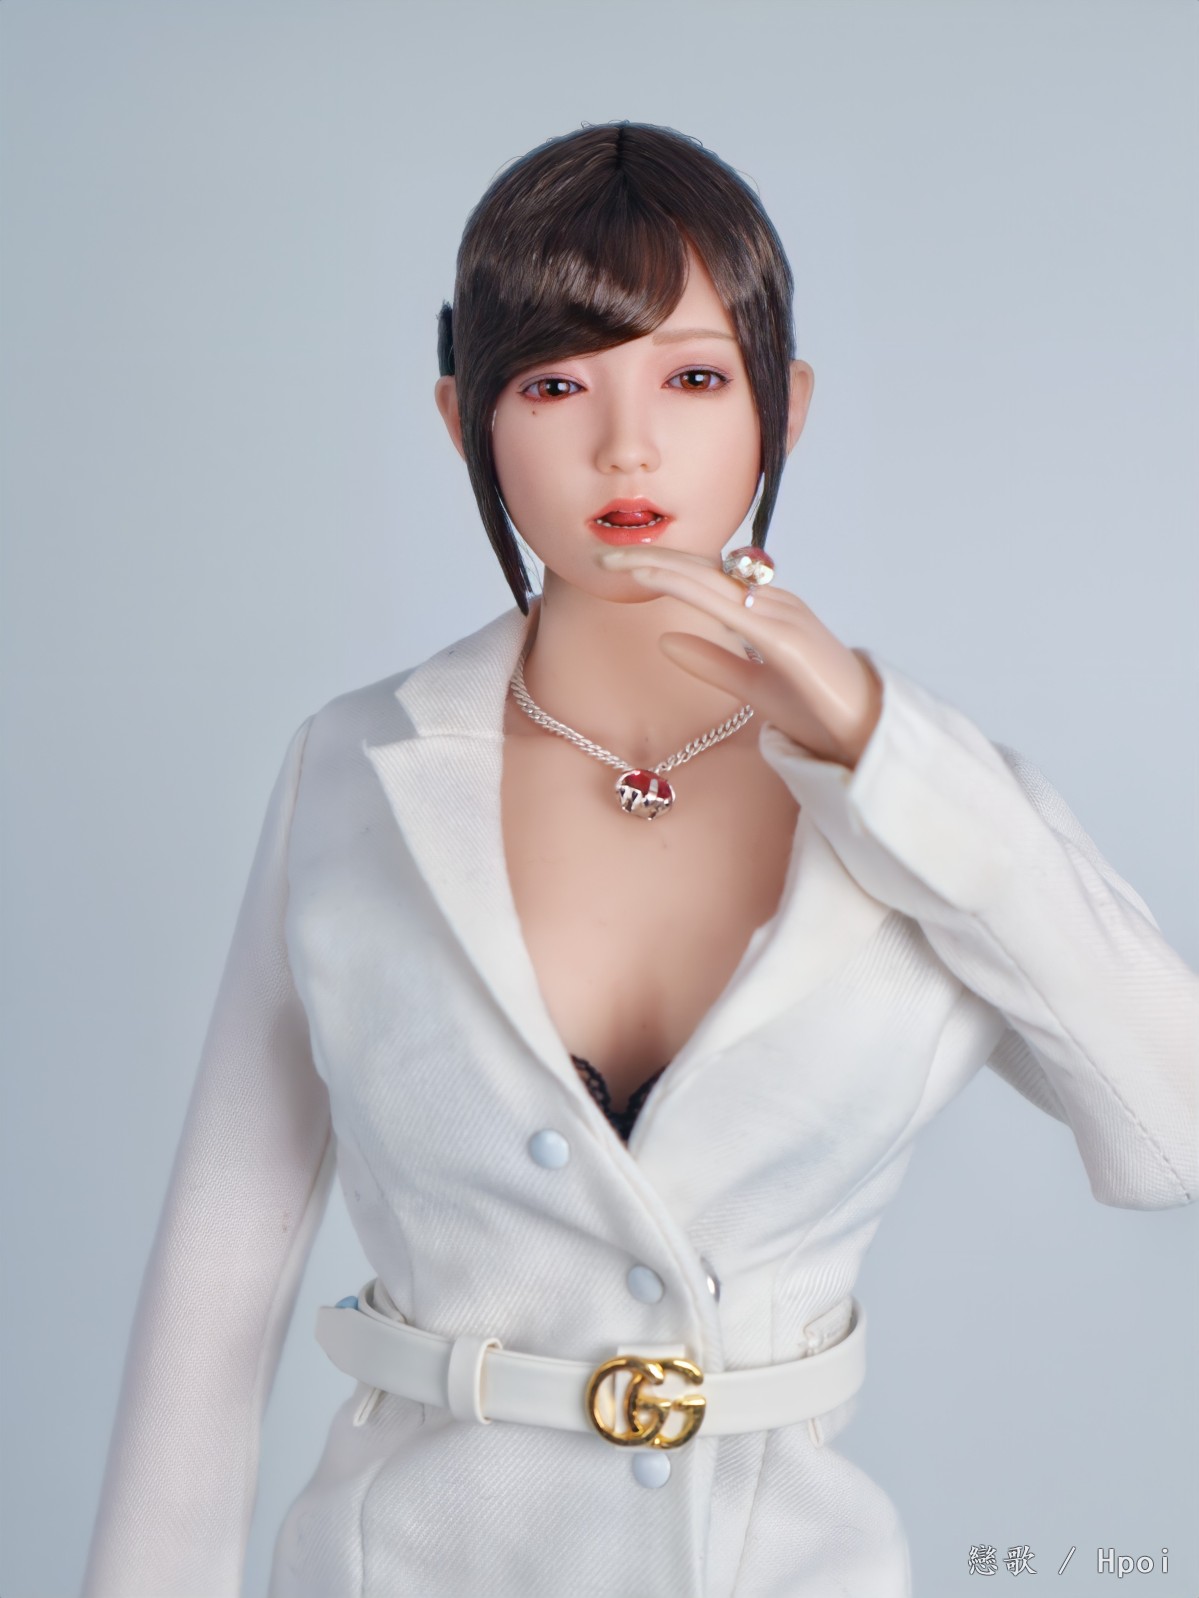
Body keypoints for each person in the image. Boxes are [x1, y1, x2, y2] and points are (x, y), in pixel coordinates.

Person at [81, 120, 1198, 1598]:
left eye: (694, 377)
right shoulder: (350, 771)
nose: (627, 445)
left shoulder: (942, 802)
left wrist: (882, 747)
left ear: (786, 407)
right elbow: (218, 1273)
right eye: (555, 383)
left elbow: (1173, 1121)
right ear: (463, 419)